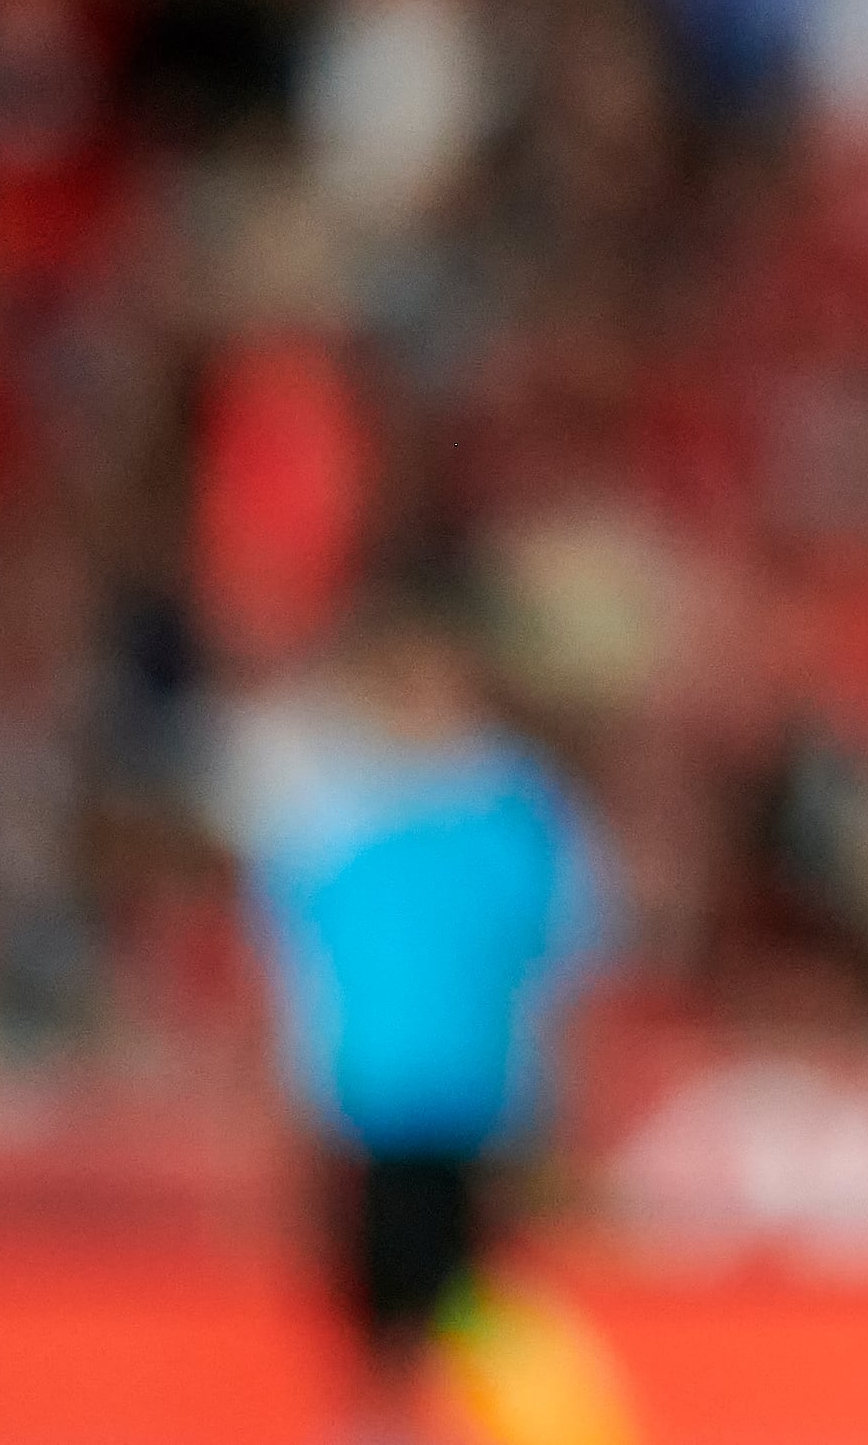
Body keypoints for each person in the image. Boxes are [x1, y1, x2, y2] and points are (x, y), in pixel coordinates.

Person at [216, 580, 603, 1443]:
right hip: (364, 1101)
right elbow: (286, 969)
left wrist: (560, 1107)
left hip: (483, 1103)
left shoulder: (522, 810)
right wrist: (282, 1097)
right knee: (380, 1321)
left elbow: (562, 972)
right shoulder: (325, 809)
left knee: (480, 1317)